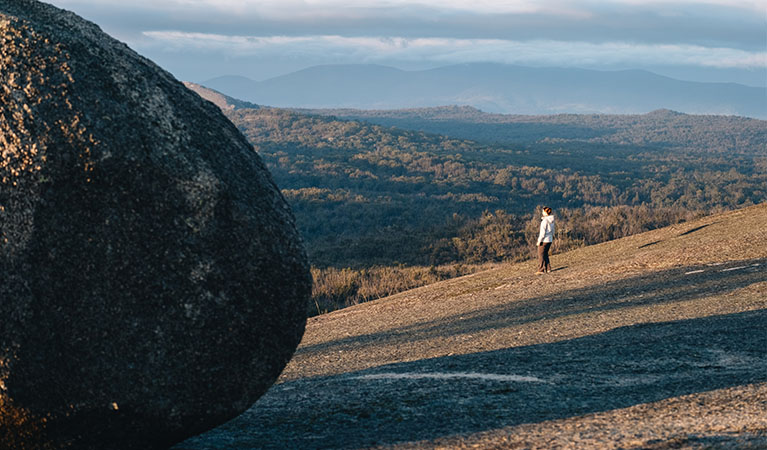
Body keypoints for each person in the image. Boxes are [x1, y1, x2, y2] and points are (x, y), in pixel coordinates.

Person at [536, 206, 555, 274]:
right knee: (545, 254)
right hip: (550, 240)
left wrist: (539, 241)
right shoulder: (552, 221)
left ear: (545, 212)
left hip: (544, 240)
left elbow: (542, 233)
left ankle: (541, 269)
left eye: (543, 211)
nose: (542, 212)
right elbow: (553, 231)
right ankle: (548, 268)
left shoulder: (544, 221)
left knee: (540, 254)